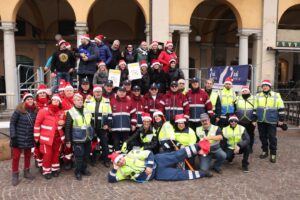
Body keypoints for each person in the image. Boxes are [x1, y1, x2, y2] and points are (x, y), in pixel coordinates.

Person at [107, 140, 212, 183]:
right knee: (179, 175)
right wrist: (114, 169)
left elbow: (149, 153)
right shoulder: (121, 171)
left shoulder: (131, 154)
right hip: (156, 175)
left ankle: (200, 145)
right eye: (118, 161)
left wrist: (149, 166)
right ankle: (203, 173)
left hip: (158, 161)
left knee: (178, 154)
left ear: (122, 156)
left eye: (120, 158)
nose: (121, 161)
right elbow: (111, 179)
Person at [34, 94, 65, 179]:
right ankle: (46, 171)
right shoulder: (43, 111)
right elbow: (37, 124)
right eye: (54, 100)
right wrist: (36, 138)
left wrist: (63, 123)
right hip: (46, 138)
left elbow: (62, 123)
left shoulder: (61, 112)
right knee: (47, 155)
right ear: (51, 101)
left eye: (58, 101)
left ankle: (55, 169)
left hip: (58, 138)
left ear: (59, 103)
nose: (56, 102)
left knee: (56, 154)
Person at [10, 92, 37, 186]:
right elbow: (12, 123)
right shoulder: (19, 110)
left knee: (27, 156)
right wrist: (13, 137)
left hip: (29, 137)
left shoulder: (35, 111)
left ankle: (26, 172)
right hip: (18, 137)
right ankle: (15, 175)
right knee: (16, 157)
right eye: (28, 99)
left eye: (31, 99)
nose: (30, 100)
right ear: (24, 101)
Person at [65, 93, 93, 180]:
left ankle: (84, 169)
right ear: (74, 102)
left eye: (81, 100)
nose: (80, 101)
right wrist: (68, 141)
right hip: (77, 138)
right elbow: (68, 127)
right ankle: (78, 172)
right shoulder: (70, 112)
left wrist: (93, 134)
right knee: (79, 156)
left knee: (86, 155)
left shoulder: (87, 110)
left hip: (87, 137)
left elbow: (91, 123)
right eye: (77, 100)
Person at [256, 80, 285, 163]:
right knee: (262, 136)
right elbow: (255, 108)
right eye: (263, 86)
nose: (265, 87)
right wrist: (255, 118)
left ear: (269, 86)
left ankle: (273, 154)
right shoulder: (258, 95)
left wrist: (281, 119)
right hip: (261, 119)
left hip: (272, 119)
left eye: (266, 85)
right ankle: (265, 151)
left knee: (272, 137)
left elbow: (281, 107)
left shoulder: (276, 95)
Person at [85, 85, 112, 167]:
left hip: (102, 127)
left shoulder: (106, 101)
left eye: (99, 91)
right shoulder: (88, 101)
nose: (98, 93)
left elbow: (110, 114)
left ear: (102, 92)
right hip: (92, 126)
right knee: (93, 144)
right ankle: (93, 159)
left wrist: (108, 124)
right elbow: (85, 113)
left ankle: (106, 160)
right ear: (93, 93)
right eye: (96, 92)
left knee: (104, 144)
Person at [110, 86, 137, 150]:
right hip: (115, 128)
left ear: (125, 93)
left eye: (123, 92)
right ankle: (116, 158)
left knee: (125, 144)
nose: (121, 93)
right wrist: (109, 125)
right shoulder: (112, 101)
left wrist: (133, 124)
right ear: (117, 92)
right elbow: (109, 115)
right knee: (115, 143)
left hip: (126, 128)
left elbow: (133, 114)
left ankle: (124, 158)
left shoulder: (129, 101)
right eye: (120, 91)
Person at [235, 85, 257, 153]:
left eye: (246, 91)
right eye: (243, 91)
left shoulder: (253, 98)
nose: (244, 92)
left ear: (249, 91)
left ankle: (250, 147)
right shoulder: (238, 98)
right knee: (241, 134)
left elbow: (256, 110)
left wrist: (254, 120)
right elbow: (235, 108)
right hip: (240, 120)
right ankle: (242, 147)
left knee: (250, 134)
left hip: (250, 121)